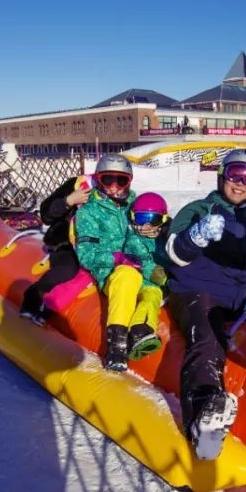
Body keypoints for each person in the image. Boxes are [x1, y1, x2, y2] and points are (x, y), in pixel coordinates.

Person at [159, 149, 246, 460]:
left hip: (237, 298)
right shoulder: (197, 210)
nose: (240, 183)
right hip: (195, 290)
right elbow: (172, 252)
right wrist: (194, 236)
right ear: (223, 176)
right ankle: (203, 417)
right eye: (235, 174)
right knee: (207, 336)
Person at [72, 154, 143, 371]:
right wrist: (116, 258)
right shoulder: (89, 212)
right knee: (126, 276)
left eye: (121, 180)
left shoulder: (137, 206)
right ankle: (117, 346)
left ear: (129, 181)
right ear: (98, 180)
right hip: (110, 272)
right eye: (107, 180)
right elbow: (86, 255)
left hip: (144, 265)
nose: (114, 187)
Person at [19, 169, 94, 322]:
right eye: (106, 177)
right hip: (66, 245)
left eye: (120, 179)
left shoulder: (119, 195)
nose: (113, 184)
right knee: (67, 270)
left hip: (98, 247)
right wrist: (69, 201)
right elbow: (46, 214)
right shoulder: (79, 184)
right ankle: (34, 298)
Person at [121, 192, 170, 360]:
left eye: (153, 220)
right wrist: (167, 281)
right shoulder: (134, 241)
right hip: (145, 280)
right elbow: (147, 265)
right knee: (151, 295)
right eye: (141, 219)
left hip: (172, 281)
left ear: (163, 220)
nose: (146, 226)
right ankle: (139, 331)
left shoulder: (168, 235)